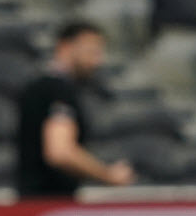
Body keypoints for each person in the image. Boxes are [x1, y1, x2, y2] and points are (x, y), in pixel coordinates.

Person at [17, 21, 134, 198]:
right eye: (92, 51)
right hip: (48, 203)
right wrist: (107, 175)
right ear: (66, 46)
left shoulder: (39, 86)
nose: (98, 61)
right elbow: (60, 152)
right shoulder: (57, 90)